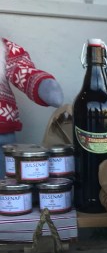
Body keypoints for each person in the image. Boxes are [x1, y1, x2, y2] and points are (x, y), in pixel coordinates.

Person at [0, 37, 64, 177]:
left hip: (2, 134)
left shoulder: (5, 49)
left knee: (5, 181)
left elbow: (21, 69)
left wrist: (41, 83)